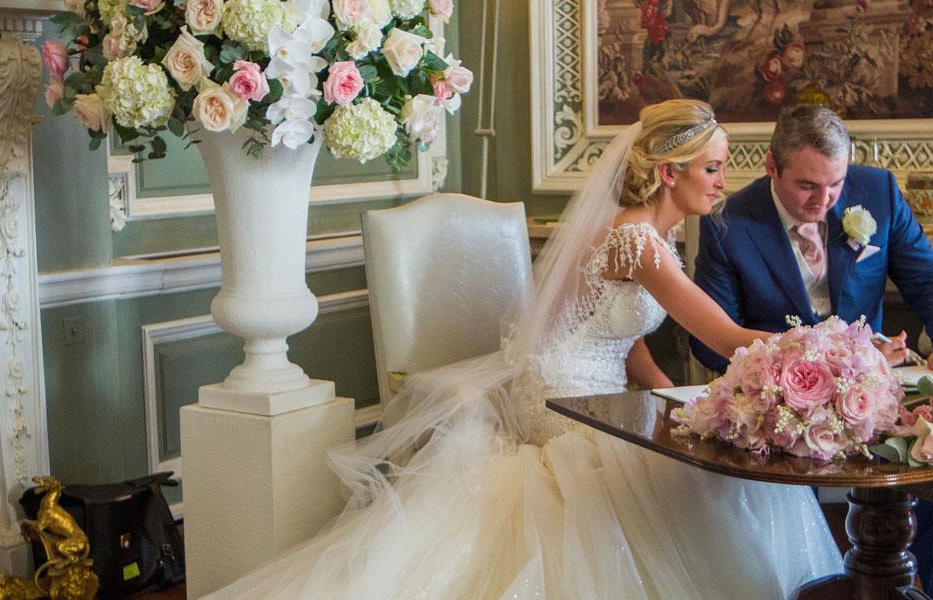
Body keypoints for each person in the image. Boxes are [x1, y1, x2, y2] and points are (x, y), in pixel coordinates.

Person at [206, 99, 841, 599]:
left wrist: (661, 392)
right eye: (712, 167)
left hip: (599, 378)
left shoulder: (651, 235)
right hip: (563, 391)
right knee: (697, 484)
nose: (722, 182)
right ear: (669, 172)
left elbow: (619, 337)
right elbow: (723, 337)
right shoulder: (638, 242)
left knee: (710, 462)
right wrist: (833, 349)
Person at [689, 104, 933, 600]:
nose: (824, 200)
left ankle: (923, 586)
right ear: (771, 166)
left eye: (836, 184)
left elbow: (930, 280)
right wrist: (811, 361)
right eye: (807, 186)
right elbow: (710, 342)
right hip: (780, 403)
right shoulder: (728, 223)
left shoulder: (878, 193)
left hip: (873, 393)